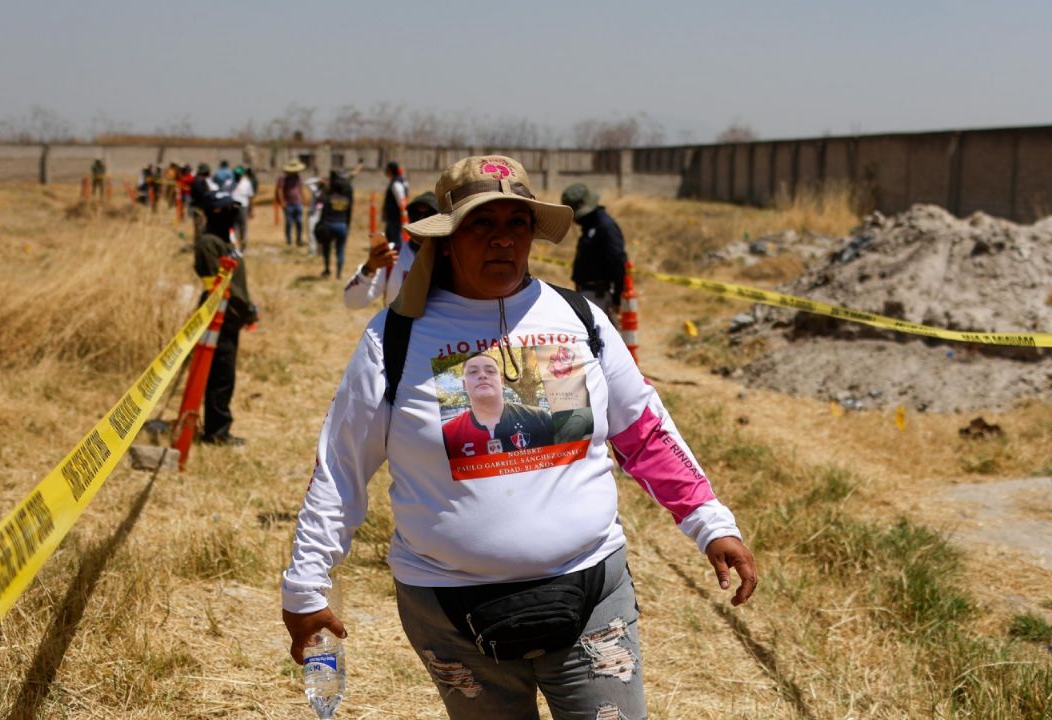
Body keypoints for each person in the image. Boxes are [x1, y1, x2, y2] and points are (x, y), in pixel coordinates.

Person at [282, 155, 757, 719]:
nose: (502, 240)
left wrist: (709, 522)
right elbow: (341, 465)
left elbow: (644, 430)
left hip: (592, 599)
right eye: (482, 223)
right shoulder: (396, 337)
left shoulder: (580, 318)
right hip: (450, 616)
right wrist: (306, 583)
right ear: (448, 236)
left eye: (517, 223)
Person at [193, 190, 258, 446]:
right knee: (220, 376)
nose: (232, 213)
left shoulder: (226, 241)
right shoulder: (208, 243)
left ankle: (218, 427)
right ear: (212, 213)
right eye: (225, 209)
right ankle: (217, 432)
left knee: (225, 375)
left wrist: (249, 308)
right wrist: (242, 308)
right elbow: (219, 289)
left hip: (232, 319)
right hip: (218, 320)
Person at [441, 352, 554, 458]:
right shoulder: (448, 433)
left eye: (490, 371)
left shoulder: (539, 418)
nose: (482, 375)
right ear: (464, 385)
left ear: (502, 381)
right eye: (473, 372)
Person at [342, 192, 439, 309]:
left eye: (429, 214)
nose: (421, 220)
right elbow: (352, 303)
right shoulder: (392, 257)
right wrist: (369, 268)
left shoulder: (454, 260)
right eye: (415, 213)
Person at [560, 183, 628, 320]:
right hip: (588, 294)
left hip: (599, 295)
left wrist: (617, 297)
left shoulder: (605, 226)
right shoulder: (590, 227)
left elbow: (617, 262)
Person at [313, 169, 354, 278]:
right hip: (342, 227)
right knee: (340, 250)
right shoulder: (346, 200)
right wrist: (347, 228)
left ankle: (327, 269)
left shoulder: (328, 198)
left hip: (329, 225)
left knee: (327, 248)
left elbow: (323, 215)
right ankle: (339, 273)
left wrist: (319, 226)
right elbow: (349, 216)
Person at [276, 159, 307, 247]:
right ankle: (289, 240)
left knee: (299, 222)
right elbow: (280, 190)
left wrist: (304, 199)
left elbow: (301, 189)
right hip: (288, 204)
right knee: (289, 222)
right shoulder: (283, 179)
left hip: (298, 203)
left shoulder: (298, 177)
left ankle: (299, 239)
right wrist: (282, 202)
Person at [382, 161, 409, 249]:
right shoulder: (397, 181)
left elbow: (401, 201)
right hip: (393, 218)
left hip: (395, 218)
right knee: (389, 240)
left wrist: (404, 217)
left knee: (395, 241)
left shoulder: (396, 184)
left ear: (390, 171)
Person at [189, 163, 218, 239]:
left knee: (200, 229)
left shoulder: (198, 180)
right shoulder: (199, 182)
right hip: (199, 209)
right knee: (200, 229)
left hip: (200, 208)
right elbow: (203, 195)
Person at [230, 165, 255, 250]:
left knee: (243, 226)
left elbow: (251, 197)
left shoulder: (247, 183)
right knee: (234, 226)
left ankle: (243, 244)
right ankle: (234, 244)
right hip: (233, 207)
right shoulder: (230, 182)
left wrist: (251, 210)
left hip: (243, 207)